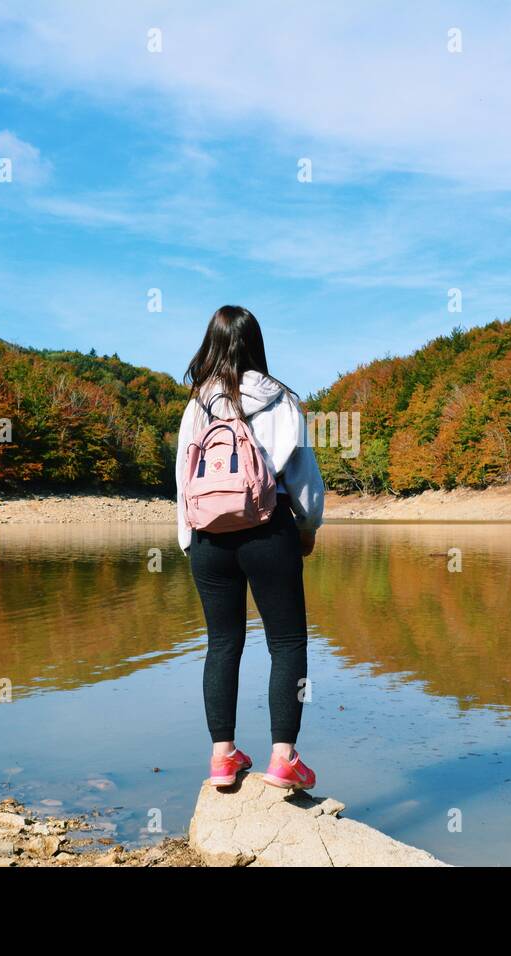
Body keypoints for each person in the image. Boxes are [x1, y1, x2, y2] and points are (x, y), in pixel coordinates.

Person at [175, 306, 326, 791]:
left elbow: (182, 477)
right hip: (267, 530)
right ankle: (283, 758)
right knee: (286, 643)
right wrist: (307, 527)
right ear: (256, 344)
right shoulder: (281, 399)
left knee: (222, 643)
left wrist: (188, 539)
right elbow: (302, 478)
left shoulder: (197, 405)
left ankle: (223, 758)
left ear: (210, 344)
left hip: (208, 539)